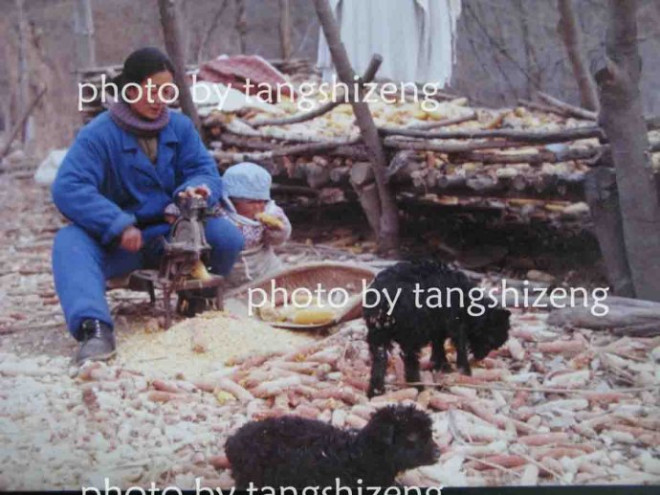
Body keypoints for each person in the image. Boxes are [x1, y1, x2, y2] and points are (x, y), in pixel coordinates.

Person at [51, 47, 244, 365]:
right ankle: (95, 330)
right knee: (69, 244)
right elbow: (69, 187)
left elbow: (203, 169)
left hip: (170, 232)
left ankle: (196, 302)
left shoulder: (179, 127)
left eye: (166, 91)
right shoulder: (99, 135)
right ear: (129, 89)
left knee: (226, 236)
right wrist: (116, 222)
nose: (159, 100)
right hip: (119, 241)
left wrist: (195, 189)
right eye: (151, 90)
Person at [219, 162, 292, 287]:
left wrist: (278, 231)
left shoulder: (272, 211)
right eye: (251, 202)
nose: (259, 207)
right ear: (232, 201)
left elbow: (279, 239)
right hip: (234, 271)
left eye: (262, 201)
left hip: (265, 265)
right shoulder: (221, 216)